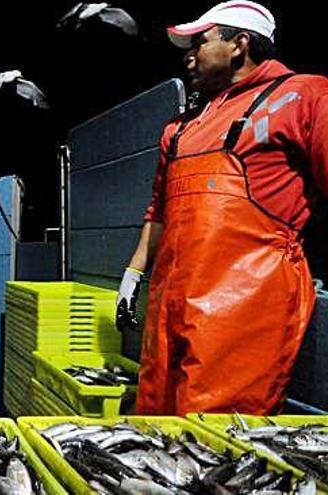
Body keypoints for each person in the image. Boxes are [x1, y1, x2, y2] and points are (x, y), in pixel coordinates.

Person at [115, 0, 328, 415]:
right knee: (154, 426)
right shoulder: (180, 127)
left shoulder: (304, 96)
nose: (187, 55)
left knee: (216, 440)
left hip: (246, 306)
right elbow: (158, 208)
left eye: (200, 42)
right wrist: (134, 271)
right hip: (168, 305)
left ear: (239, 44)